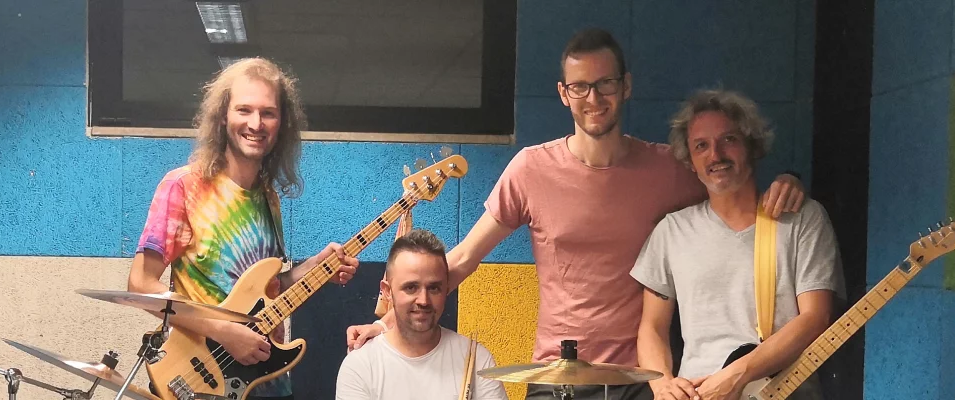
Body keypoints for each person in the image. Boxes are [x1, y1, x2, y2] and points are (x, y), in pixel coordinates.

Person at [346, 29, 807, 400]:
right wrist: (387, 323)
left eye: (606, 83)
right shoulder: (531, 169)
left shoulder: (668, 168)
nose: (594, 97)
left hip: (640, 380)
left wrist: (789, 180)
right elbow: (463, 258)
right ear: (563, 94)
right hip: (557, 376)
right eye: (580, 86)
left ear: (626, 86)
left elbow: (729, 181)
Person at [128, 57, 360, 400]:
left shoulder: (268, 199)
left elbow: (267, 290)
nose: (256, 123)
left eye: (268, 113)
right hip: (203, 382)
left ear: (282, 123)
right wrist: (223, 332)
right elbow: (140, 285)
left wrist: (314, 268)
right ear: (223, 115)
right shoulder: (184, 187)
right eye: (244, 110)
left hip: (269, 384)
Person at [631, 89, 844, 400]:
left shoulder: (802, 220)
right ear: (690, 161)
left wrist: (737, 374)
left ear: (752, 145)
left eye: (728, 139)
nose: (715, 155)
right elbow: (652, 327)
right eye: (701, 146)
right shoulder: (672, 231)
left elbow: (815, 318)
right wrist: (663, 384)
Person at [335, 229, 508, 400]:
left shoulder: (476, 358)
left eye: (434, 288)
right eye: (411, 287)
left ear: (446, 289)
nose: (424, 300)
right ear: (387, 291)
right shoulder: (360, 366)